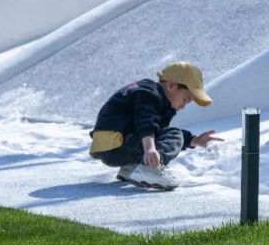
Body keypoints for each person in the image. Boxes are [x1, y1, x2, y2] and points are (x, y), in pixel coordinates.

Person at [89, 61, 223, 190]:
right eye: (185, 99)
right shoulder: (150, 95)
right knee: (174, 134)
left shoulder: (149, 93)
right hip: (116, 143)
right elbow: (146, 123)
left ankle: (131, 169)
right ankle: (150, 169)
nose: (183, 106)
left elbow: (158, 132)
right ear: (171, 85)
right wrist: (150, 149)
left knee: (168, 134)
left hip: (111, 145)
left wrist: (194, 140)